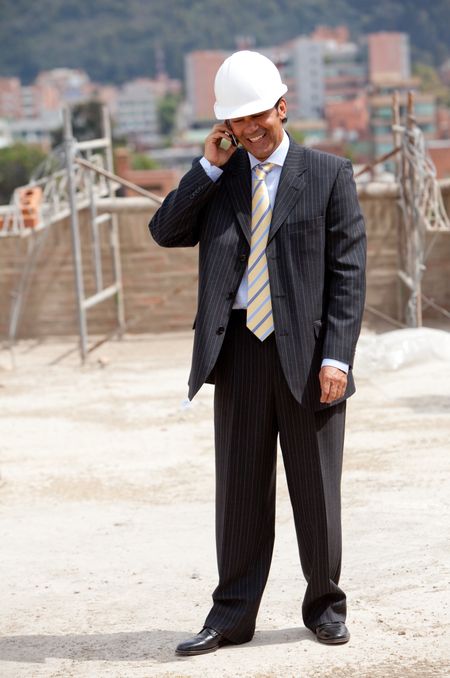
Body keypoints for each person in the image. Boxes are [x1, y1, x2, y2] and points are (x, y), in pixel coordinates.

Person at [149, 50, 366, 655]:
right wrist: (207, 167)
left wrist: (338, 360)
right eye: (236, 120)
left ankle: (325, 605)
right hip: (239, 351)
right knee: (240, 489)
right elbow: (165, 230)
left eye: (257, 116)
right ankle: (231, 615)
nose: (249, 129)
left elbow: (348, 273)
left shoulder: (329, 174)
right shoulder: (222, 179)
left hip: (308, 356)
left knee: (316, 489)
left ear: (282, 105)